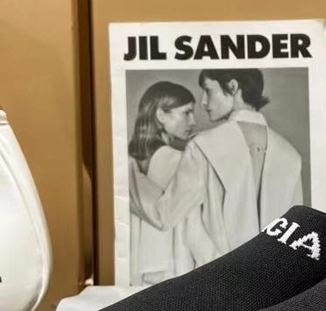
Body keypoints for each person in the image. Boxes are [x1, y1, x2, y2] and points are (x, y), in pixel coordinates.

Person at [129, 69, 302, 259]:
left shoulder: (203, 146)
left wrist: (128, 176)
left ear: (233, 87)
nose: (204, 101)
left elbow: (165, 215)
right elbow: (294, 237)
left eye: (208, 90)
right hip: (275, 273)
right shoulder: (291, 156)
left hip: (217, 272)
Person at [128, 81, 202, 285]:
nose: (193, 121)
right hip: (174, 271)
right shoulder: (180, 162)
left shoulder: (128, 161)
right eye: (186, 112)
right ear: (161, 115)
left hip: (138, 272)